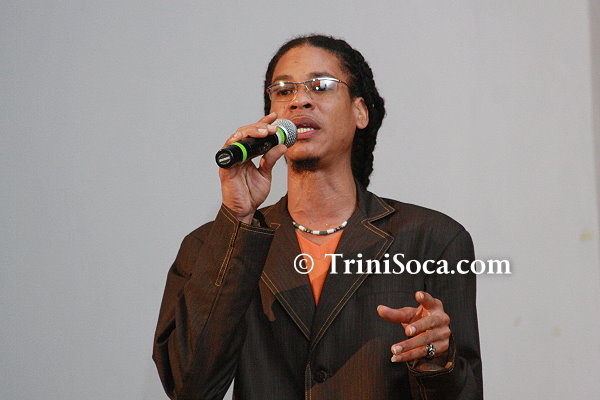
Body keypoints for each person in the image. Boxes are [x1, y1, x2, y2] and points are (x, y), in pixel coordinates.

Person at [153, 34, 482, 399]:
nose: (300, 100)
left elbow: (466, 393)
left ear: (360, 111)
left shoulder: (433, 238)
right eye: (283, 90)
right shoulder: (211, 245)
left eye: (321, 85)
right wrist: (238, 219)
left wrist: (437, 362)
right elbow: (189, 386)